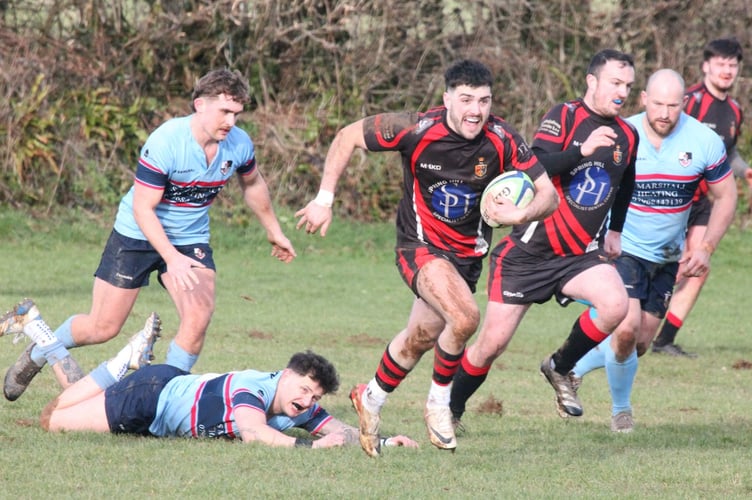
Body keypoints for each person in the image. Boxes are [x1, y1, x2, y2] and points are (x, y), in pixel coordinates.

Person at [295, 59, 559, 456]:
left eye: (484, 101)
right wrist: (324, 199)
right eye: (466, 99)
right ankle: (440, 405)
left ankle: (371, 398)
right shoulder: (416, 128)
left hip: (467, 257)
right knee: (466, 317)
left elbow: (549, 195)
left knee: (420, 338)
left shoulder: (503, 139)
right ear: (447, 98)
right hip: (419, 246)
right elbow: (347, 136)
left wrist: (519, 214)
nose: (476, 110)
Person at [4, 69, 297, 402]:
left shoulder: (239, 144)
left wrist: (274, 231)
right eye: (224, 111)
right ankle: (38, 352)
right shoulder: (167, 141)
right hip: (137, 234)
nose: (231, 121)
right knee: (102, 327)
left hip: (190, 238)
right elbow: (144, 209)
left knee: (198, 317)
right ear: (200, 105)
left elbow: (253, 183)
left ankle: (164, 398)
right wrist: (171, 258)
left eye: (237, 113)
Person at [449, 49, 639, 426]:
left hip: (580, 255)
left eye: (629, 86)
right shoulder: (563, 117)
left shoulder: (628, 134)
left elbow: (627, 179)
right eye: (615, 83)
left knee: (616, 305)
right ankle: (449, 409)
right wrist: (581, 151)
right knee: (491, 345)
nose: (622, 93)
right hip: (529, 253)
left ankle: (560, 366)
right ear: (592, 81)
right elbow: (535, 164)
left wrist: (615, 229)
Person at [0, 300, 418, 449]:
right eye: (305, 390)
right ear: (287, 374)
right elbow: (254, 433)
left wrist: (381, 441)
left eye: (314, 398)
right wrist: (309, 450)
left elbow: (337, 430)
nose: (308, 402)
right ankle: (121, 361)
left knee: (74, 394)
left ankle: (35, 326)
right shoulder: (253, 390)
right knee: (51, 419)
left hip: (156, 383)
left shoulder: (295, 404)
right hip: (148, 401)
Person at [571, 69, 737, 432]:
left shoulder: (704, 141)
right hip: (622, 249)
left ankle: (572, 367)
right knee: (626, 330)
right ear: (644, 98)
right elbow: (585, 186)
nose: (664, 113)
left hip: (665, 258)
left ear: (685, 104)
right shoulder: (622, 135)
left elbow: (727, 196)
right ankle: (621, 412)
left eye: (673, 106)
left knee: (638, 344)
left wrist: (706, 246)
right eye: (658, 104)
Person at [653, 37, 750, 357]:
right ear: (706, 66)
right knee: (659, 261)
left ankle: (664, 339)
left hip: (705, 202)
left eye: (732, 65)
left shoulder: (735, 109)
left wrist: (744, 171)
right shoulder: (689, 101)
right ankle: (631, 312)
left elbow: (729, 152)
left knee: (699, 264)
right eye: (720, 64)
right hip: (670, 197)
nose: (727, 70)